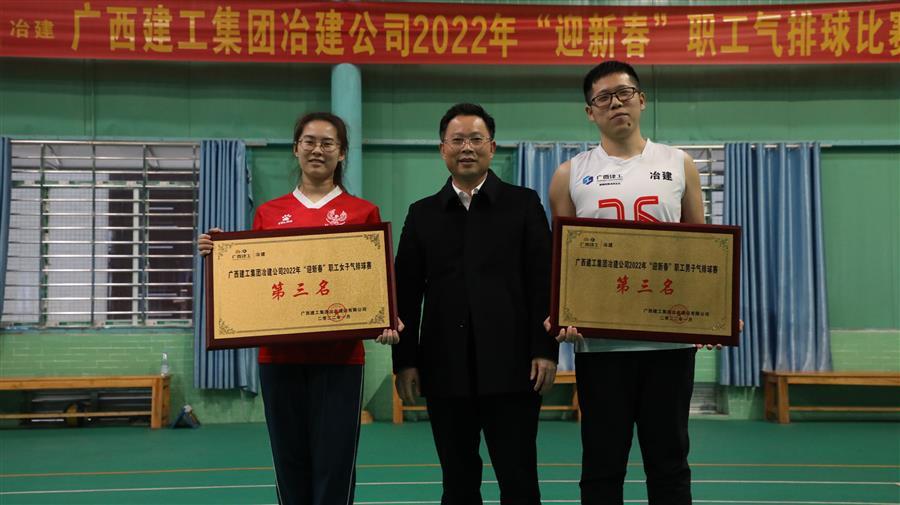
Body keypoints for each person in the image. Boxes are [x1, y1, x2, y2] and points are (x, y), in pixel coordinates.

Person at [197, 112, 400, 505]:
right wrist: (222, 253)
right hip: (278, 360)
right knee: (289, 463)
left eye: (327, 143)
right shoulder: (268, 214)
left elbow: (375, 284)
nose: (317, 150)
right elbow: (253, 282)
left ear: (342, 153)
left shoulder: (363, 213)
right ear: (296, 149)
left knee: (335, 463)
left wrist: (387, 318)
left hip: (341, 361)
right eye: (309, 141)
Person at [547, 60, 708, 504]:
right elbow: (564, 258)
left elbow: (703, 247)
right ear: (590, 112)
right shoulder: (569, 173)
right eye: (603, 98)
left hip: (668, 343)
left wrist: (715, 312)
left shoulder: (680, 164)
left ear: (642, 99)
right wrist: (562, 312)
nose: (616, 103)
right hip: (601, 346)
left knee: (669, 462)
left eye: (624, 93)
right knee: (602, 465)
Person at [392, 103, 558, 504]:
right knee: (458, 482)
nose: (466, 147)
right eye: (457, 140)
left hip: (514, 368)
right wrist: (405, 362)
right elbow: (405, 294)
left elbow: (545, 281)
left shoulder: (523, 204)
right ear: (442, 149)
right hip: (444, 369)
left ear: (492, 147)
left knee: (519, 480)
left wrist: (545, 349)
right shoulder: (422, 214)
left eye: (476, 139)